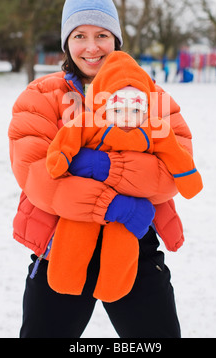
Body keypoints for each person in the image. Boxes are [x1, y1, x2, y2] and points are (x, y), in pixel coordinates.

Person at [8, 0, 198, 338]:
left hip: (135, 245)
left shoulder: (152, 97)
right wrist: (116, 205)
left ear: (116, 41)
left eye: (102, 35)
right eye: (79, 35)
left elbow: (175, 170)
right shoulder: (40, 98)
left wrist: (103, 167)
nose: (91, 47)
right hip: (58, 245)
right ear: (66, 42)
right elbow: (39, 180)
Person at [45, 50, 202, 303]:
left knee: (123, 243)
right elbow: (67, 139)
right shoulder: (89, 122)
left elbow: (176, 155)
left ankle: (113, 288)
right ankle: (65, 278)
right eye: (118, 109)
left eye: (136, 109)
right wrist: (61, 160)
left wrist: (189, 178)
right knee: (74, 230)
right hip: (85, 199)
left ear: (147, 109)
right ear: (104, 107)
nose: (128, 117)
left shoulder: (156, 129)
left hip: (131, 202)